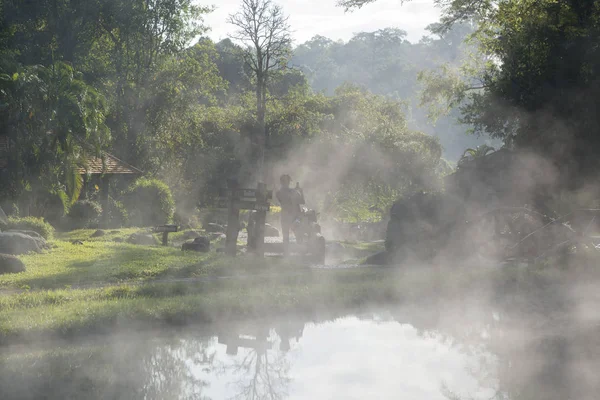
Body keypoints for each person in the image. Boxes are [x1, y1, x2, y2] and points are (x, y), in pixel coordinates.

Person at [275, 174, 304, 256]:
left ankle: (286, 255)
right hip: (294, 216)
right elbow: (302, 201)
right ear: (288, 182)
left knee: (285, 236)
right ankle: (300, 253)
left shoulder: (278, 193)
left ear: (281, 182)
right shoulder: (294, 192)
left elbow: (281, 199)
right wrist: (300, 191)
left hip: (284, 216)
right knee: (298, 234)